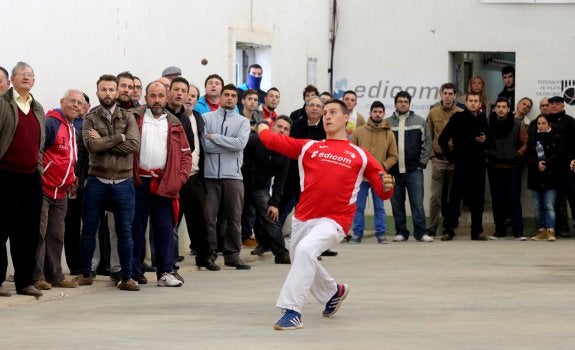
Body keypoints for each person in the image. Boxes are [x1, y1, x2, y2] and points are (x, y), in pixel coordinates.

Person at [257, 99, 394, 330]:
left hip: (335, 220)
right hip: (303, 217)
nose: (327, 116)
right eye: (325, 113)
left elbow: (383, 190)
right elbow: (272, 140)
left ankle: (292, 311)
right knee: (302, 255)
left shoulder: (360, 155)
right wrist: (262, 126)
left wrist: (389, 186)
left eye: (332, 112)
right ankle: (333, 292)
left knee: (305, 250)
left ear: (345, 119)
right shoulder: (310, 147)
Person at [75, 74, 141, 291]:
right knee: (89, 229)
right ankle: (86, 273)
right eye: (103, 90)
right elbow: (91, 146)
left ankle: (126, 277)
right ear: (97, 92)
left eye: (111, 90)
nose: (108, 94)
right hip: (97, 181)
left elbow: (133, 144)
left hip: (123, 181)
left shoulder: (128, 116)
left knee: (124, 231)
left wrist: (105, 140)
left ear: (117, 92)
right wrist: (118, 138)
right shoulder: (90, 117)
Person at [131, 81, 192, 287]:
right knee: (135, 229)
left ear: (166, 97)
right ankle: (133, 272)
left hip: (164, 185)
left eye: (160, 96)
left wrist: (177, 180)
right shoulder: (134, 117)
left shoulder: (175, 123)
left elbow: (185, 156)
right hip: (138, 182)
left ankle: (166, 272)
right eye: (152, 96)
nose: (157, 100)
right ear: (146, 98)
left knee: (164, 230)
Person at [0, 62, 45, 297]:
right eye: (22, 74)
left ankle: (25, 281)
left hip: (30, 177)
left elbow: (40, 143)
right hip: (4, 175)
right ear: (13, 80)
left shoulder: (38, 108)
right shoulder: (2, 103)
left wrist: (38, 168)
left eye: (30, 75)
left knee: (28, 232)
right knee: (1, 230)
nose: (26, 78)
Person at [33, 89, 85, 291]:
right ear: (62, 101)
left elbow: (68, 158)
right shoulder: (51, 122)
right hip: (44, 188)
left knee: (56, 235)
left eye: (79, 102)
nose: (75, 105)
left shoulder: (73, 127)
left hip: (61, 191)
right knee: (38, 233)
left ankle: (55, 275)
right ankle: (37, 276)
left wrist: (71, 177)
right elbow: (39, 151)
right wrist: (40, 176)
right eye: (71, 101)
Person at [203, 84, 251, 269]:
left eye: (233, 95)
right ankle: (209, 255)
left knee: (234, 218)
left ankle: (232, 256)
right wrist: (227, 145)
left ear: (237, 99)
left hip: (233, 176)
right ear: (221, 97)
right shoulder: (206, 118)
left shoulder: (242, 122)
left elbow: (240, 144)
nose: (229, 98)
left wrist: (213, 137)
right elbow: (204, 146)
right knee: (209, 218)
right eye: (226, 95)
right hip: (210, 175)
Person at [439, 92, 490, 241]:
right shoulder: (457, 118)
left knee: (478, 199)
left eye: (476, 101)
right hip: (461, 165)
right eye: (470, 100)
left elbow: (489, 141)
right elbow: (443, 139)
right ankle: (449, 230)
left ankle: (476, 231)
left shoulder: (482, 119)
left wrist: (485, 140)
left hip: (479, 165)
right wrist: (451, 157)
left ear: (479, 103)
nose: (473, 103)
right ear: (466, 102)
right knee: (455, 198)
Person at [243, 115, 292, 264]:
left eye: (286, 129)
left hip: (260, 188)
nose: (282, 131)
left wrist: (275, 203)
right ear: (272, 127)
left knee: (270, 216)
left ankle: (281, 253)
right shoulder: (255, 140)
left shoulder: (285, 152)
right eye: (279, 127)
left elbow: (280, 181)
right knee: (229, 217)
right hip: (240, 183)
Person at [387, 91, 433, 242]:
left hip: (414, 171)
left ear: (409, 104)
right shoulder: (387, 124)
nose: (403, 104)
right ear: (395, 104)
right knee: (396, 203)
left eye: (406, 101)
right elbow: (383, 145)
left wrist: (422, 163)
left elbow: (427, 142)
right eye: (400, 101)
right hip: (393, 172)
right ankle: (401, 232)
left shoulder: (419, 121)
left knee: (417, 203)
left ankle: (421, 233)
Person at [350, 101, 397, 244]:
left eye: (380, 112)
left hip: (380, 177)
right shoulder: (358, 131)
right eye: (375, 111)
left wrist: (382, 166)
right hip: (361, 177)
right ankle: (357, 234)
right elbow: (352, 153)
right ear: (370, 113)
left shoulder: (389, 134)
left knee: (380, 207)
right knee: (358, 207)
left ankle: (381, 234)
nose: (377, 114)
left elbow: (394, 156)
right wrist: (361, 166)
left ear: (384, 114)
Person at [486, 97, 528, 241]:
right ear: (495, 108)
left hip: (513, 168)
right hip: (494, 167)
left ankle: (518, 232)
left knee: (513, 199)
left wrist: (519, 154)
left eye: (504, 107)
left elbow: (525, 142)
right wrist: (488, 152)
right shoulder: (488, 123)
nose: (501, 109)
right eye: (499, 106)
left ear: (508, 109)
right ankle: (500, 231)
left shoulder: (517, 124)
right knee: (497, 199)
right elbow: (482, 140)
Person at [426, 83, 462, 237]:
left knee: (453, 197)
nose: (448, 96)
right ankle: (433, 227)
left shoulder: (461, 113)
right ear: (441, 94)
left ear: (455, 95)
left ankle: (450, 227)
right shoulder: (433, 113)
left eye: (451, 94)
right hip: (439, 159)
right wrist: (432, 156)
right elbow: (428, 137)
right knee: (436, 196)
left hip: (455, 161)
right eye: (445, 93)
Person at [527, 114, 563, 242]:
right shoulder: (533, 138)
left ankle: (551, 230)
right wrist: (536, 163)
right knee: (538, 206)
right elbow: (528, 155)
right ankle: (541, 230)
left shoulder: (557, 137)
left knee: (549, 205)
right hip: (535, 176)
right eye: (538, 123)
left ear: (549, 124)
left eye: (543, 123)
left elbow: (559, 154)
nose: (540, 126)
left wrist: (546, 163)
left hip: (551, 177)